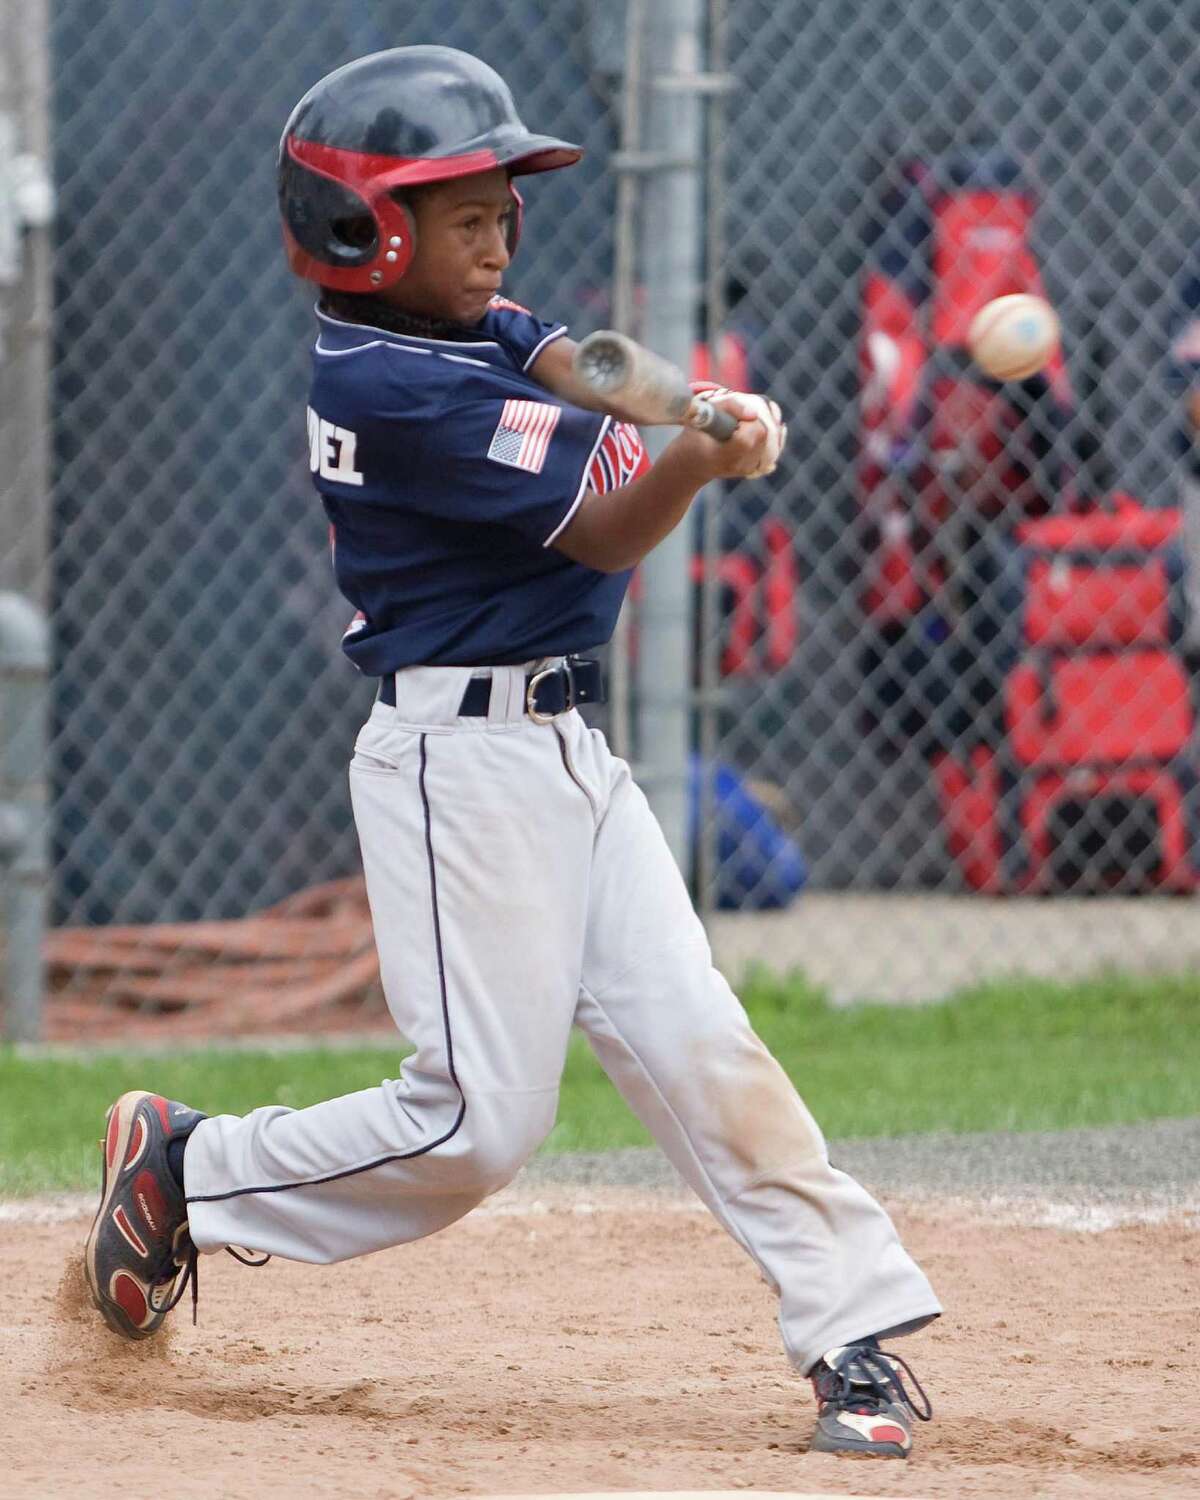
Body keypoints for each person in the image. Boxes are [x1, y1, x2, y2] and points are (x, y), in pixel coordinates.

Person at [83, 46, 941, 1460]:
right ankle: (194, 1172)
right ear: (368, 233)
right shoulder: (386, 382)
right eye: (462, 215)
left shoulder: (455, 327)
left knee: (695, 1034)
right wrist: (697, 460)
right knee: (476, 1126)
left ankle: (848, 1326)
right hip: (456, 765)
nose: (496, 240)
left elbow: (571, 355)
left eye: (501, 211)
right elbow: (607, 523)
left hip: (562, 751)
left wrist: (686, 403)